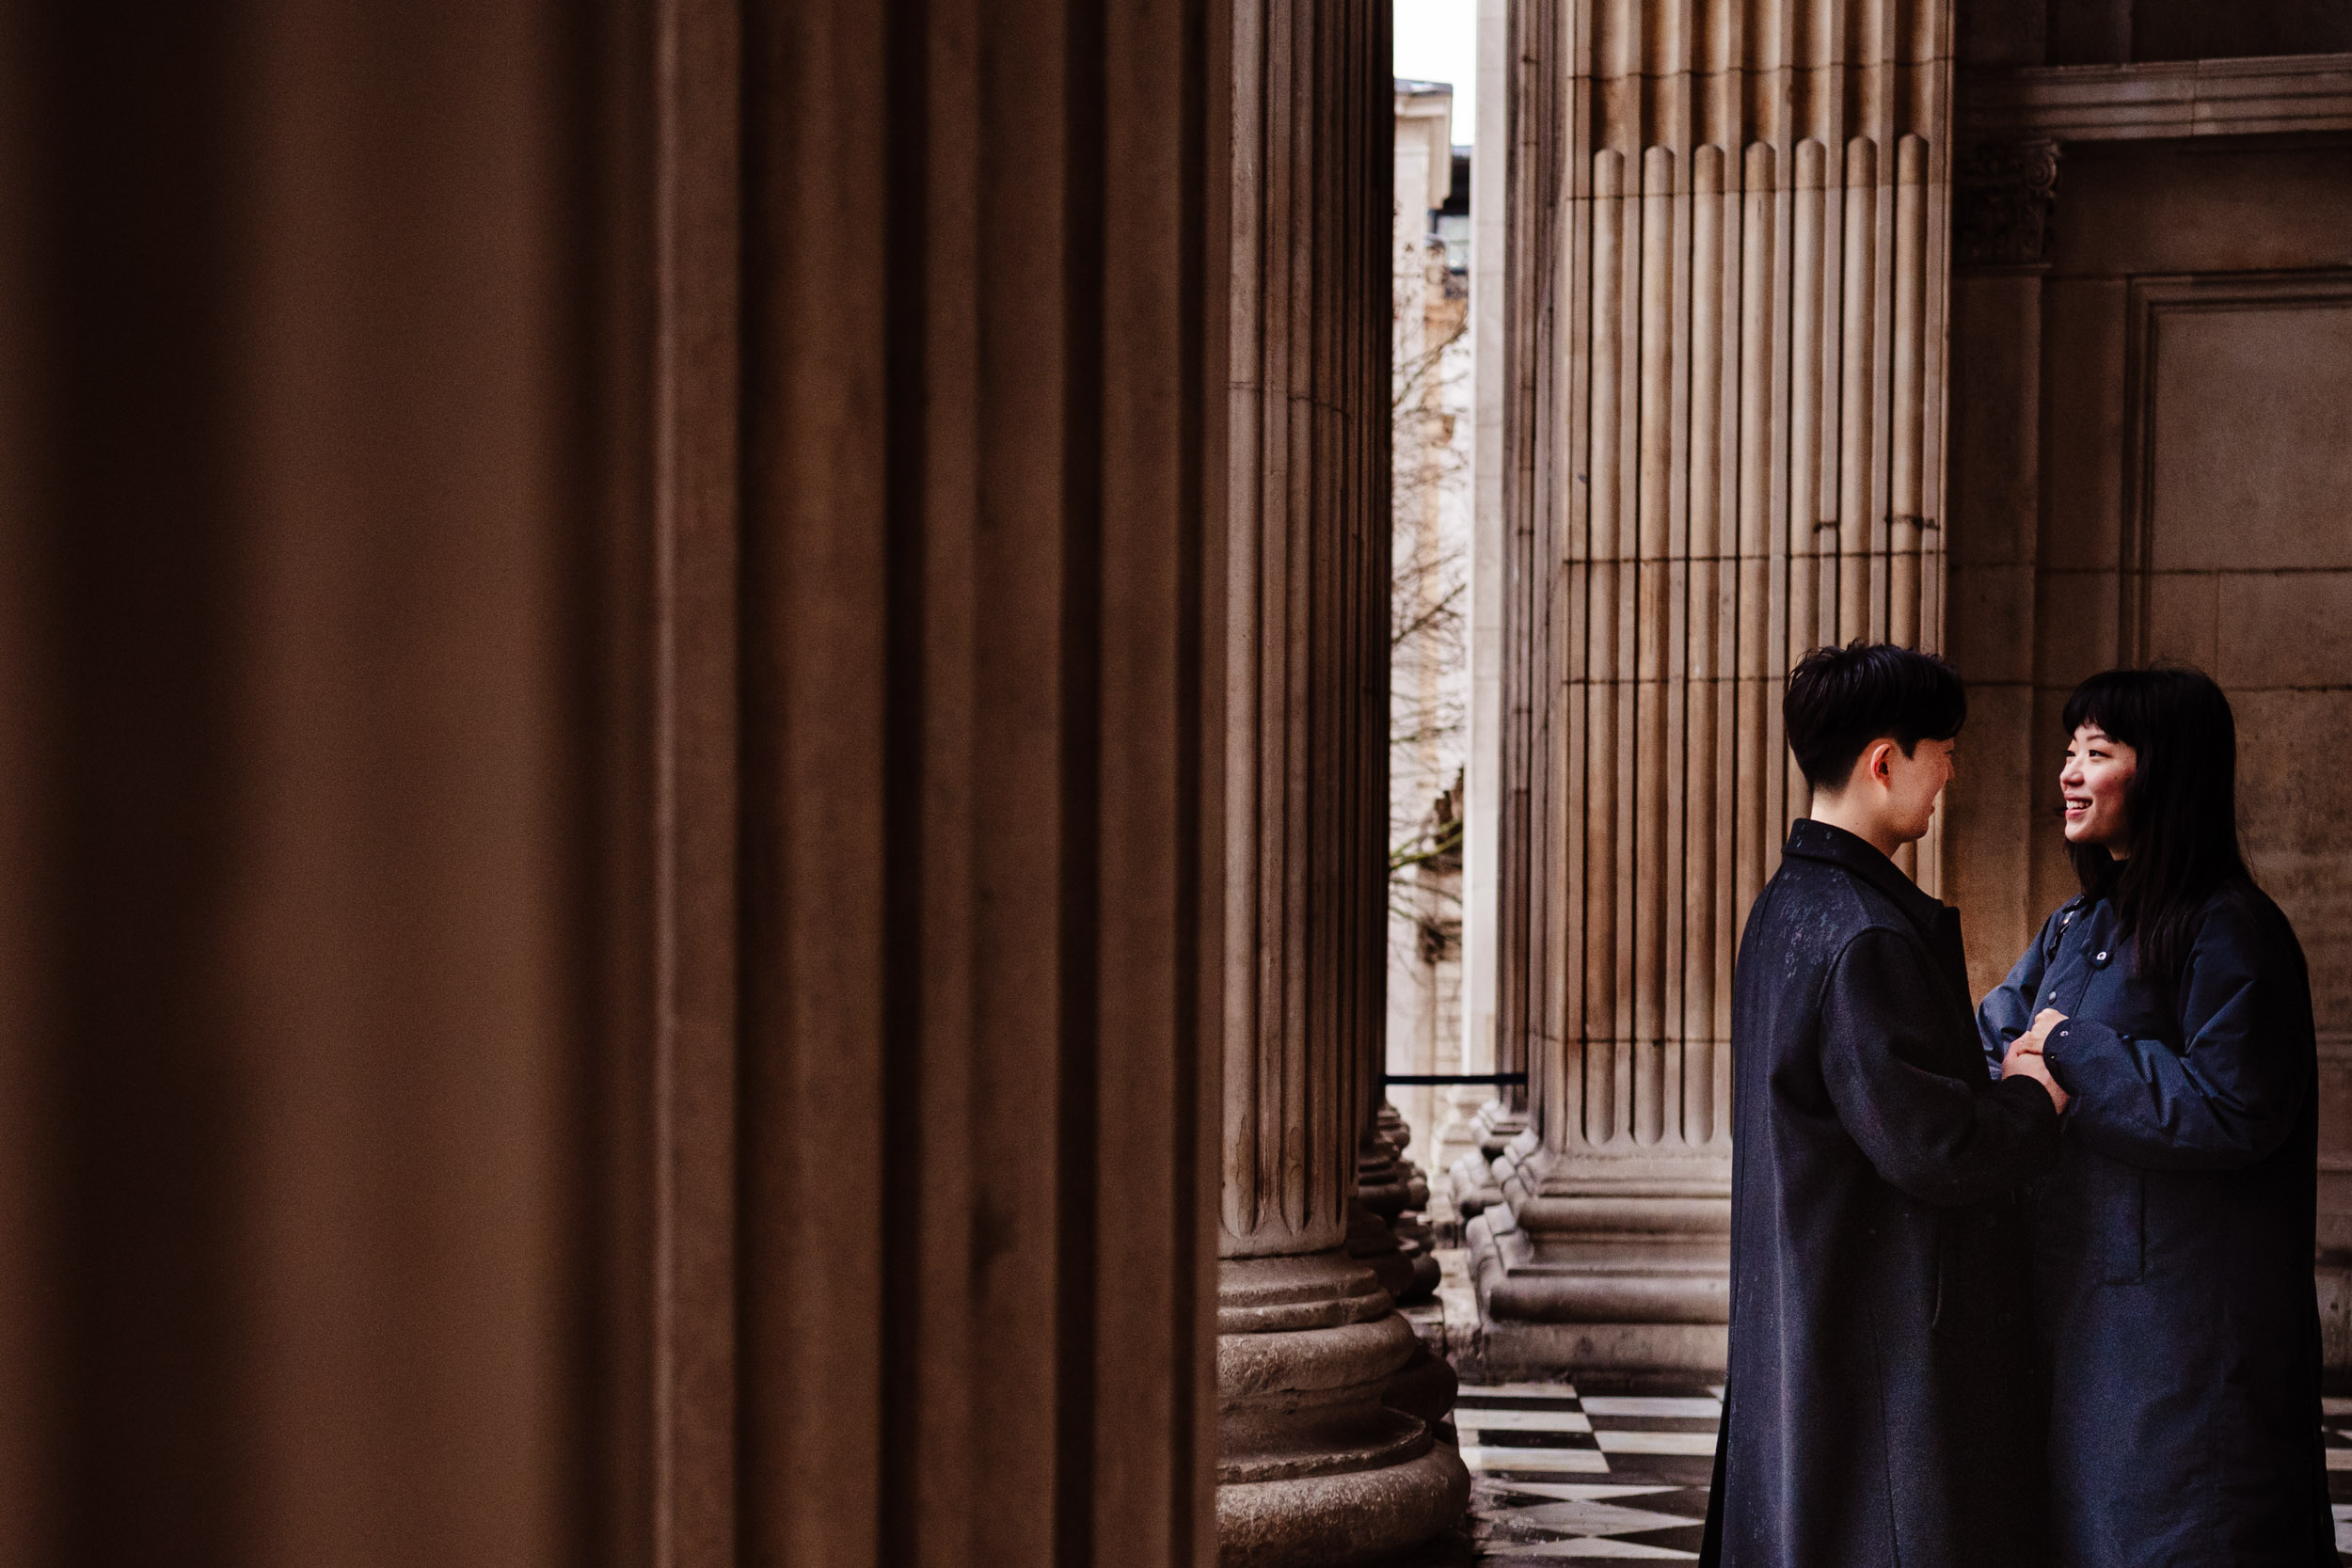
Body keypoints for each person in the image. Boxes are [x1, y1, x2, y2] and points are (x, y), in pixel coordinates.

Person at [1702, 641, 2066, 1568]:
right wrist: (2030, 1093)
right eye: (1940, 746)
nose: (1948, 768)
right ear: (1881, 759)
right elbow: (1932, 1145)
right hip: (1881, 1343)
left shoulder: (1785, 902)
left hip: (1817, 1324)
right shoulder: (1863, 931)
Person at [1981, 667, 2332, 1565]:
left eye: (2098, 752)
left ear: (2166, 772)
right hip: (2084, 1330)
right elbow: (1989, 1042)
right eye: (2070, 750)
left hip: (2186, 1348)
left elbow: (2233, 1106)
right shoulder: (2075, 926)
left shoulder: (2232, 931)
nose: (2069, 771)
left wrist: (2069, 1051)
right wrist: (2034, 1057)